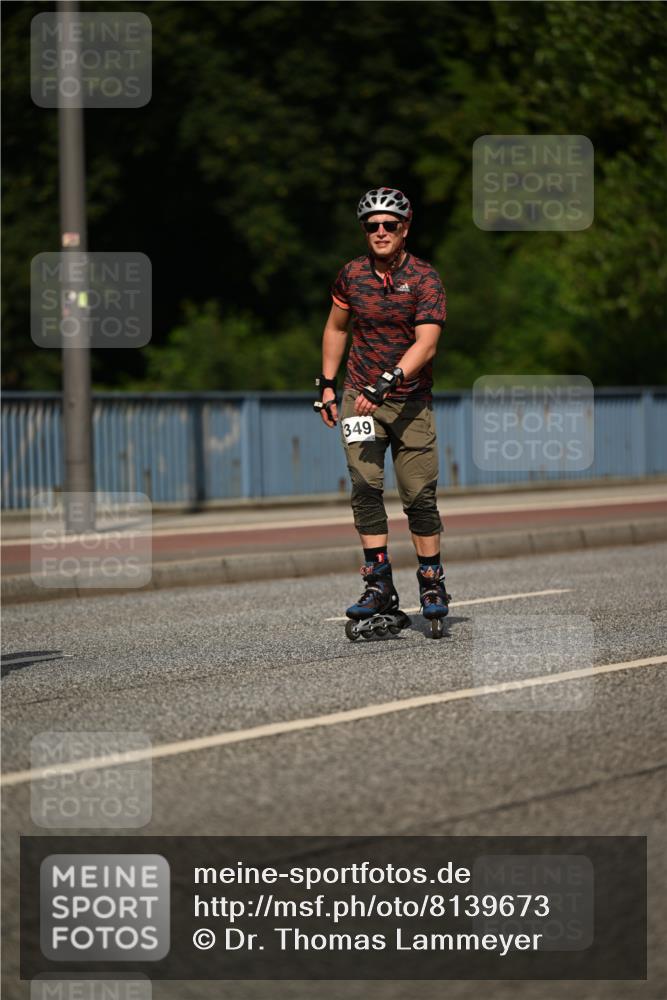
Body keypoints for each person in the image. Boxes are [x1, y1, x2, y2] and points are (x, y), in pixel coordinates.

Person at [314, 186, 450, 635]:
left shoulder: (425, 279)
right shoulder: (351, 276)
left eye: (389, 225)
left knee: (418, 496)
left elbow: (426, 342)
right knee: (365, 486)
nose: (380, 232)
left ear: (405, 228)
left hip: (409, 401)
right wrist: (328, 386)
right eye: (372, 226)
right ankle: (378, 585)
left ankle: (431, 581)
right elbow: (336, 328)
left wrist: (390, 379)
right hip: (359, 398)